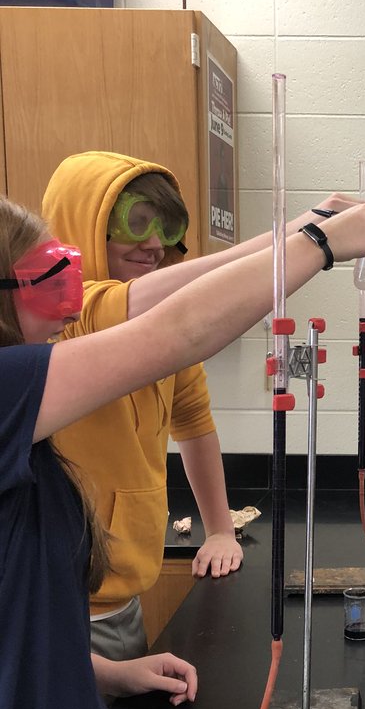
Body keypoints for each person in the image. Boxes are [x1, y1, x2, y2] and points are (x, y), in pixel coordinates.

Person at [0, 191, 365, 709]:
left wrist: (100, 672)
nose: (66, 305)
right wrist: (321, 247)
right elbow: (176, 329)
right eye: (44, 281)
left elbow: (18, 618)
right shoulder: (10, 390)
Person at [41, 152, 243, 659]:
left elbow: (193, 422)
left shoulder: (162, 332)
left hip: (123, 596)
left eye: (165, 225)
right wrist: (304, 240)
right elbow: (128, 312)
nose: (153, 243)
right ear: (85, 223)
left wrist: (220, 530)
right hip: (60, 609)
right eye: (134, 222)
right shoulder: (64, 315)